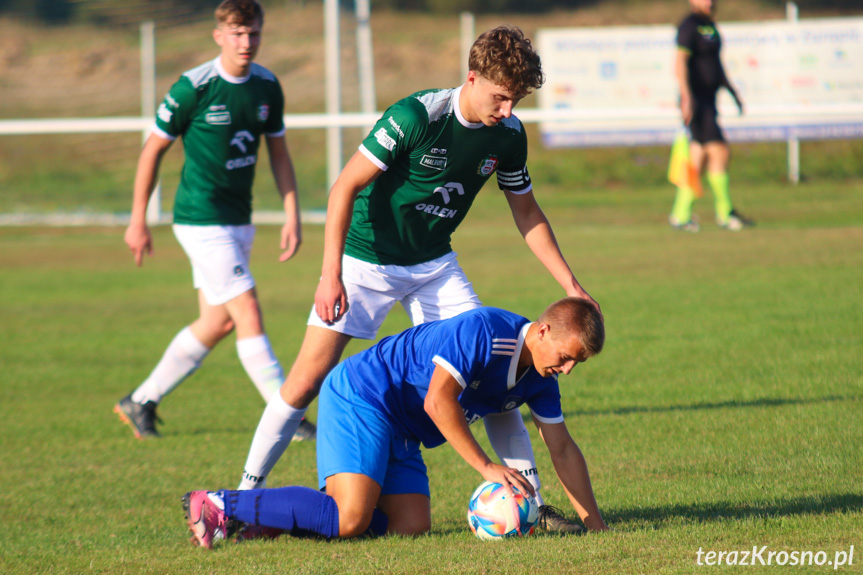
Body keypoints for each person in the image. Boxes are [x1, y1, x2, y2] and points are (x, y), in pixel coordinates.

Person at [235, 26, 600, 533]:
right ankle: (243, 496)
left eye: (515, 101)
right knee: (305, 380)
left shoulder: (509, 136)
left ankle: (528, 506)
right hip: (365, 259)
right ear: (472, 78)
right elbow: (344, 188)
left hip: (432, 265)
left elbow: (527, 211)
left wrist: (571, 286)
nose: (508, 111)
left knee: (502, 374)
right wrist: (330, 274)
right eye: (500, 98)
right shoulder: (416, 116)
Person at [183, 297, 609, 546]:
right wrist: (486, 468)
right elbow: (438, 402)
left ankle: (268, 519)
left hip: (402, 427)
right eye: (567, 356)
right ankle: (219, 503)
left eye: (579, 363)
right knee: (349, 518)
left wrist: (596, 525)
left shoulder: (541, 378)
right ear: (543, 330)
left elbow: (563, 448)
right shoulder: (485, 330)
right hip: (364, 394)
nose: (568, 368)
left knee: (410, 528)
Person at [114, 0, 305, 439]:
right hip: (200, 219)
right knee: (248, 311)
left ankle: (141, 400)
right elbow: (152, 150)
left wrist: (292, 212)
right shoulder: (193, 88)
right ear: (219, 35)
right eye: (237, 33)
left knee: (217, 322)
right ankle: (288, 419)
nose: (246, 42)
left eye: (253, 32)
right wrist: (137, 220)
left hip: (239, 220)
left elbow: (279, 152)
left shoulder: (267, 87)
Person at [669, 0, 754, 232]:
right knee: (719, 151)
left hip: (709, 101)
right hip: (697, 102)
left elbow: (715, 65)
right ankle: (724, 213)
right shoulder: (689, 25)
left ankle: (681, 214)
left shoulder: (711, 26)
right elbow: (680, 62)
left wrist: (732, 91)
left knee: (699, 156)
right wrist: (686, 97)